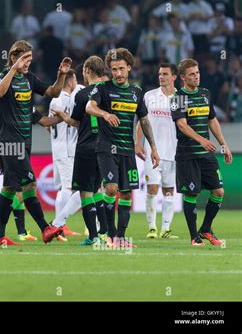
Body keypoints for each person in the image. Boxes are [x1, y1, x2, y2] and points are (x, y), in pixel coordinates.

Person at [0, 40, 72, 245]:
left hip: (25, 141)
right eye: (24, 59)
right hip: (9, 141)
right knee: (29, 184)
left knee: (9, 188)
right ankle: (45, 228)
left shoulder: (29, 79)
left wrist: (61, 74)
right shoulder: (2, 78)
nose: (27, 63)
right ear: (13, 57)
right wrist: (13, 69)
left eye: (30, 59)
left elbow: (53, 92)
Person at [86, 48, 160, 248]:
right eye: (113, 69)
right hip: (107, 148)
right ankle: (109, 235)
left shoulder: (136, 93)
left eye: (121, 69)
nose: (117, 73)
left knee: (126, 194)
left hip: (127, 150)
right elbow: (89, 107)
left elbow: (144, 121)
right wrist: (104, 114)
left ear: (129, 67)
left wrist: (152, 147)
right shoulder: (102, 88)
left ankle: (120, 237)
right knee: (111, 189)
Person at [171, 58, 232, 246]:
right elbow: (182, 125)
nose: (196, 77)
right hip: (188, 154)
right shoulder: (178, 98)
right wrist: (202, 140)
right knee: (191, 194)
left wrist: (224, 144)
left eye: (197, 73)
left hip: (206, 154)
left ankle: (205, 229)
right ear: (183, 77)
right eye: (192, 74)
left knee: (219, 191)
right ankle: (193, 237)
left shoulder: (205, 94)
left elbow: (212, 120)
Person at [52, 56, 109, 245]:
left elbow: (74, 122)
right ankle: (104, 233)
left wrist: (61, 114)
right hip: (104, 147)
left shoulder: (82, 94)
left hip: (86, 147)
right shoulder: (109, 91)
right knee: (97, 190)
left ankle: (93, 236)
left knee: (85, 192)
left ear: (87, 70)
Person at [135, 63, 179, 239]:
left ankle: (166, 229)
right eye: (160, 74)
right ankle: (152, 228)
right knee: (152, 189)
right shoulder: (149, 96)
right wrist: (138, 143)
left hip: (174, 152)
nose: (161, 77)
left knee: (169, 191)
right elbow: (141, 121)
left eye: (165, 74)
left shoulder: (181, 98)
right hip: (152, 152)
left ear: (174, 77)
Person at [48, 69, 81, 239]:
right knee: (71, 187)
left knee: (63, 187)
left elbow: (48, 125)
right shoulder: (70, 99)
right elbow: (75, 122)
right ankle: (59, 224)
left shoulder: (54, 100)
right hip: (69, 150)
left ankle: (60, 226)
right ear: (70, 81)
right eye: (75, 79)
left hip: (57, 148)